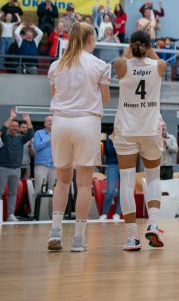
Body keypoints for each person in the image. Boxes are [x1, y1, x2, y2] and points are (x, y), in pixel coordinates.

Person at [46, 21, 111, 251]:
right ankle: (78, 239)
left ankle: (55, 232)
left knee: (62, 181)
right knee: (83, 185)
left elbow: (55, 95)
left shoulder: (56, 65)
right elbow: (105, 99)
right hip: (86, 122)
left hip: (61, 122)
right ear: (90, 40)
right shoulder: (100, 65)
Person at [111, 31, 167, 250]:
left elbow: (125, 58)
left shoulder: (121, 65)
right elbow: (154, 58)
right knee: (153, 178)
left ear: (130, 46)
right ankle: (153, 224)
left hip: (126, 129)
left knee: (126, 182)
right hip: (150, 130)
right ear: (148, 46)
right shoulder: (159, 66)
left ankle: (132, 237)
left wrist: (131, 48)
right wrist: (149, 46)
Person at [0, 110, 33, 221]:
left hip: (16, 169)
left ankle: (10, 215)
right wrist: (11, 117)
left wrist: (28, 120)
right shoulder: (4, 137)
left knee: (12, 193)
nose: (14, 127)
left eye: (16, 126)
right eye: (12, 126)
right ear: (9, 127)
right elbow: (1, 130)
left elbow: (30, 133)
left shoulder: (21, 139)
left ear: (18, 128)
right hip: (3, 168)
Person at [33, 116, 57, 199]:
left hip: (55, 165)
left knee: (53, 191)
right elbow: (36, 147)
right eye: (49, 121)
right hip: (42, 164)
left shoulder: (59, 134)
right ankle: (35, 212)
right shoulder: (38, 133)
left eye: (52, 121)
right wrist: (48, 140)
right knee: (39, 189)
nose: (51, 122)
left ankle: (51, 212)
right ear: (44, 123)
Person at [99, 132, 120, 221]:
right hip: (112, 165)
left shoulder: (125, 136)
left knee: (123, 191)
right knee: (110, 190)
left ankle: (117, 213)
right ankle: (104, 213)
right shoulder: (108, 138)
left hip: (125, 164)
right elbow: (108, 152)